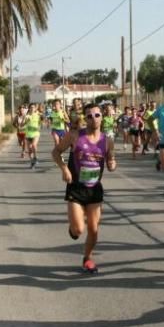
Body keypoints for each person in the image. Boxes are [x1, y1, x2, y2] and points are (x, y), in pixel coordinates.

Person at [52, 101, 117, 274]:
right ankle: (73, 227)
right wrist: (64, 168)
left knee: (94, 229)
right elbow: (56, 152)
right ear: (85, 119)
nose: (94, 118)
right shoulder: (75, 136)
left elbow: (111, 159)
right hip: (76, 187)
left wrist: (112, 164)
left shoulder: (108, 140)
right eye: (89, 116)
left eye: (97, 115)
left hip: (95, 188)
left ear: (102, 117)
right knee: (78, 229)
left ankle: (87, 258)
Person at [24, 103, 41, 168]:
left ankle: (35, 157)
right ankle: (32, 161)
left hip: (36, 133)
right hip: (28, 134)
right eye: (31, 107)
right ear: (29, 108)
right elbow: (23, 123)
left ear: (35, 108)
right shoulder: (27, 116)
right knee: (29, 150)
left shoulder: (38, 115)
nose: (32, 108)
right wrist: (25, 121)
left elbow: (41, 122)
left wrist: (39, 126)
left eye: (33, 107)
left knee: (34, 145)